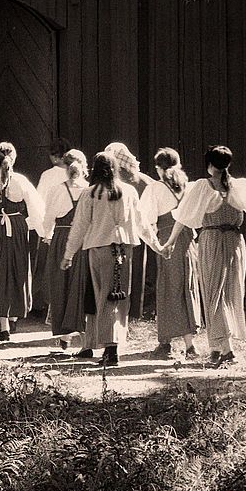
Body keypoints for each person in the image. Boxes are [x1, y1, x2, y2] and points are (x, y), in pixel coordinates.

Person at [163, 145, 246, 367]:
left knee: (215, 294)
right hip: (234, 242)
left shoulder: (204, 186)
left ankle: (227, 350)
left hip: (213, 241)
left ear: (209, 165)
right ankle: (216, 348)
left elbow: (183, 217)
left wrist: (170, 241)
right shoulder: (238, 186)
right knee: (227, 294)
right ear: (228, 165)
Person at [61, 152, 163, 366]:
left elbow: (79, 227)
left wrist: (68, 254)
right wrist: (156, 245)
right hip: (125, 248)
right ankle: (111, 343)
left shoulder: (90, 194)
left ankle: (110, 347)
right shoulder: (128, 191)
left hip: (99, 248)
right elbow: (141, 223)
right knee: (118, 297)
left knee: (102, 296)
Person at [0, 142, 45, 341]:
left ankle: (4, 325)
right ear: (13, 158)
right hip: (17, 228)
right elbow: (37, 210)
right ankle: (12, 316)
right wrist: (25, 224)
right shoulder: (21, 181)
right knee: (17, 270)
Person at [140, 148, 202, 359]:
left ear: (159, 168)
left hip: (168, 241)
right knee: (186, 287)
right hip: (188, 242)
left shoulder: (155, 188)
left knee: (170, 288)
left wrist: (155, 244)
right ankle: (187, 342)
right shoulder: (188, 186)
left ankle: (172, 344)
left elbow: (145, 222)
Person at [40, 149, 90, 349]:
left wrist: (47, 235)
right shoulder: (89, 189)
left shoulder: (56, 190)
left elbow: (48, 219)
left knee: (61, 285)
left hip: (62, 239)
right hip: (84, 241)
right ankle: (85, 336)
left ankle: (64, 335)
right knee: (82, 285)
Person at [103, 142, 158, 319]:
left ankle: (124, 311)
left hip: (121, 233)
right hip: (143, 232)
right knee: (141, 272)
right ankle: (140, 310)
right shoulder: (146, 180)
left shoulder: (116, 181)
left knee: (122, 274)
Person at [32, 138, 73, 312]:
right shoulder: (75, 174)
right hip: (71, 227)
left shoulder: (48, 175)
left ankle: (44, 305)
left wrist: (42, 231)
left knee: (46, 267)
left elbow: (38, 202)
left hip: (51, 225)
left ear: (54, 156)